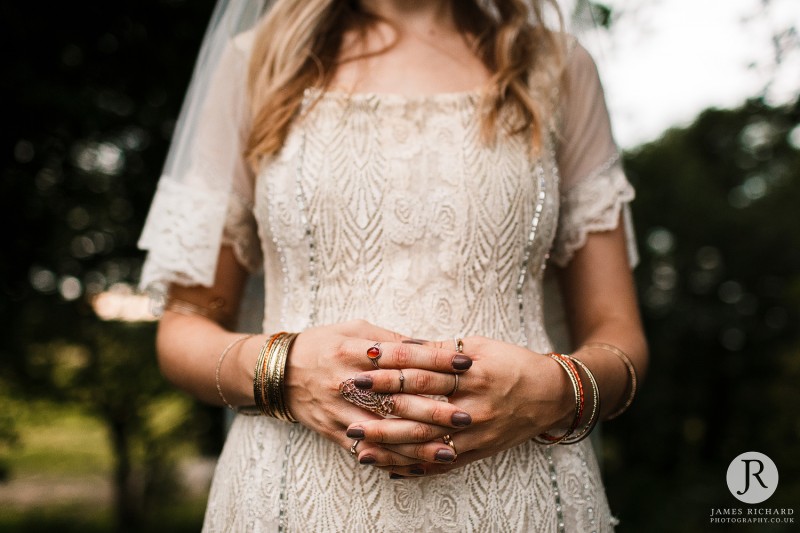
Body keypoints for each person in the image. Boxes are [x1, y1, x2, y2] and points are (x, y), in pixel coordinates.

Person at [138, 0, 648, 530]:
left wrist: (556, 389)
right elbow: (184, 326)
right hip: (295, 498)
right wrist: (284, 370)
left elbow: (618, 334)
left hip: (520, 496)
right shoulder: (261, 62)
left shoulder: (556, 65)